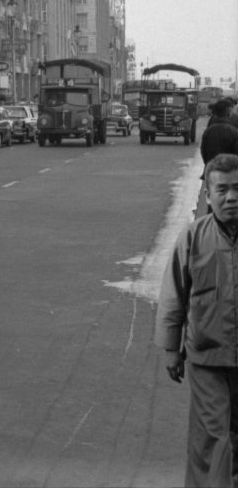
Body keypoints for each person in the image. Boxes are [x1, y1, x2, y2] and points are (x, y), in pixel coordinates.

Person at [155, 152, 238, 486]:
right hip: (207, 358)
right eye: (222, 189)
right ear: (207, 194)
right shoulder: (192, 238)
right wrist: (171, 348)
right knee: (214, 438)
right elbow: (173, 294)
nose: (231, 196)